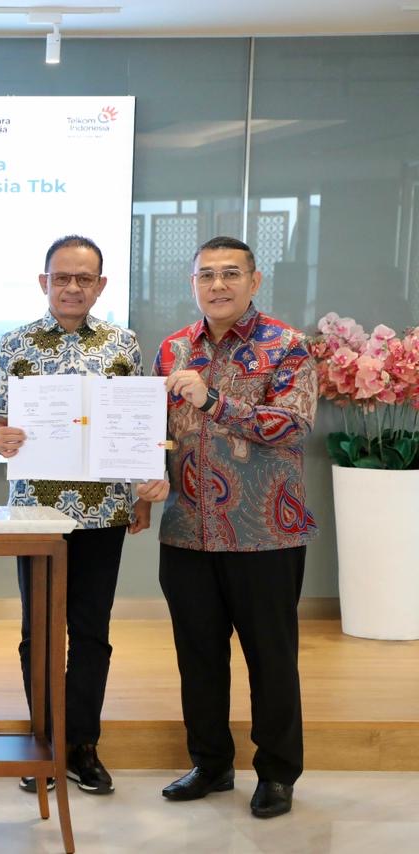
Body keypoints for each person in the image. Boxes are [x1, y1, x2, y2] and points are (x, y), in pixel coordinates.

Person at [0, 235, 168, 796]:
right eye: (61, 277)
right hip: (36, 515)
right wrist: (0, 437)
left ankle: (82, 745)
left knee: (92, 632)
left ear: (101, 285)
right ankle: (43, 741)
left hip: (103, 511)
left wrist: (142, 495)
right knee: (38, 633)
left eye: (84, 279)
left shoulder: (123, 344)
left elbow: (138, 425)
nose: (72, 287)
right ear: (44, 282)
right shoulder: (15, 343)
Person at [155, 236, 317, 819]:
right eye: (206, 275)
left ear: (254, 281)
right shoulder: (174, 348)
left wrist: (213, 400)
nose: (217, 285)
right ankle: (211, 763)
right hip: (186, 529)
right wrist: (145, 475)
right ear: (192, 283)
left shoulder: (288, 345)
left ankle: (277, 773)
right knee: (198, 657)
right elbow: (157, 432)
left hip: (265, 532)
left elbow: (294, 425)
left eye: (230, 274)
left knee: (271, 659)